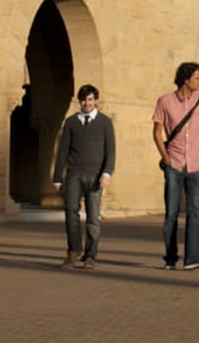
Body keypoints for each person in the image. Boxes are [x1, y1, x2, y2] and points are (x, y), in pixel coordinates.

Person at [152, 61, 199, 270]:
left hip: (198, 164)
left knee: (194, 212)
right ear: (186, 80)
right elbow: (157, 133)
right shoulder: (165, 101)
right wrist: (166, 157)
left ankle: (192, 258)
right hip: (175, 164)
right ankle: (170, 258)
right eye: (197, 78)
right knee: (171, 213)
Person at [53, 83, 116, 270]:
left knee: (93, 216)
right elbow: (63, 150)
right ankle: (73, 251)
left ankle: (91, 255)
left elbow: (110, 150)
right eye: (83, 100)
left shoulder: (105, 122)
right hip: (74, 173)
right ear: (79, 101)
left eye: (90, 100)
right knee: (70, 211)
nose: (86, 103)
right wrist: (57, 177)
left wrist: (107, 173)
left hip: (96, 175)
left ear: (95, 100)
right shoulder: (71, 122)